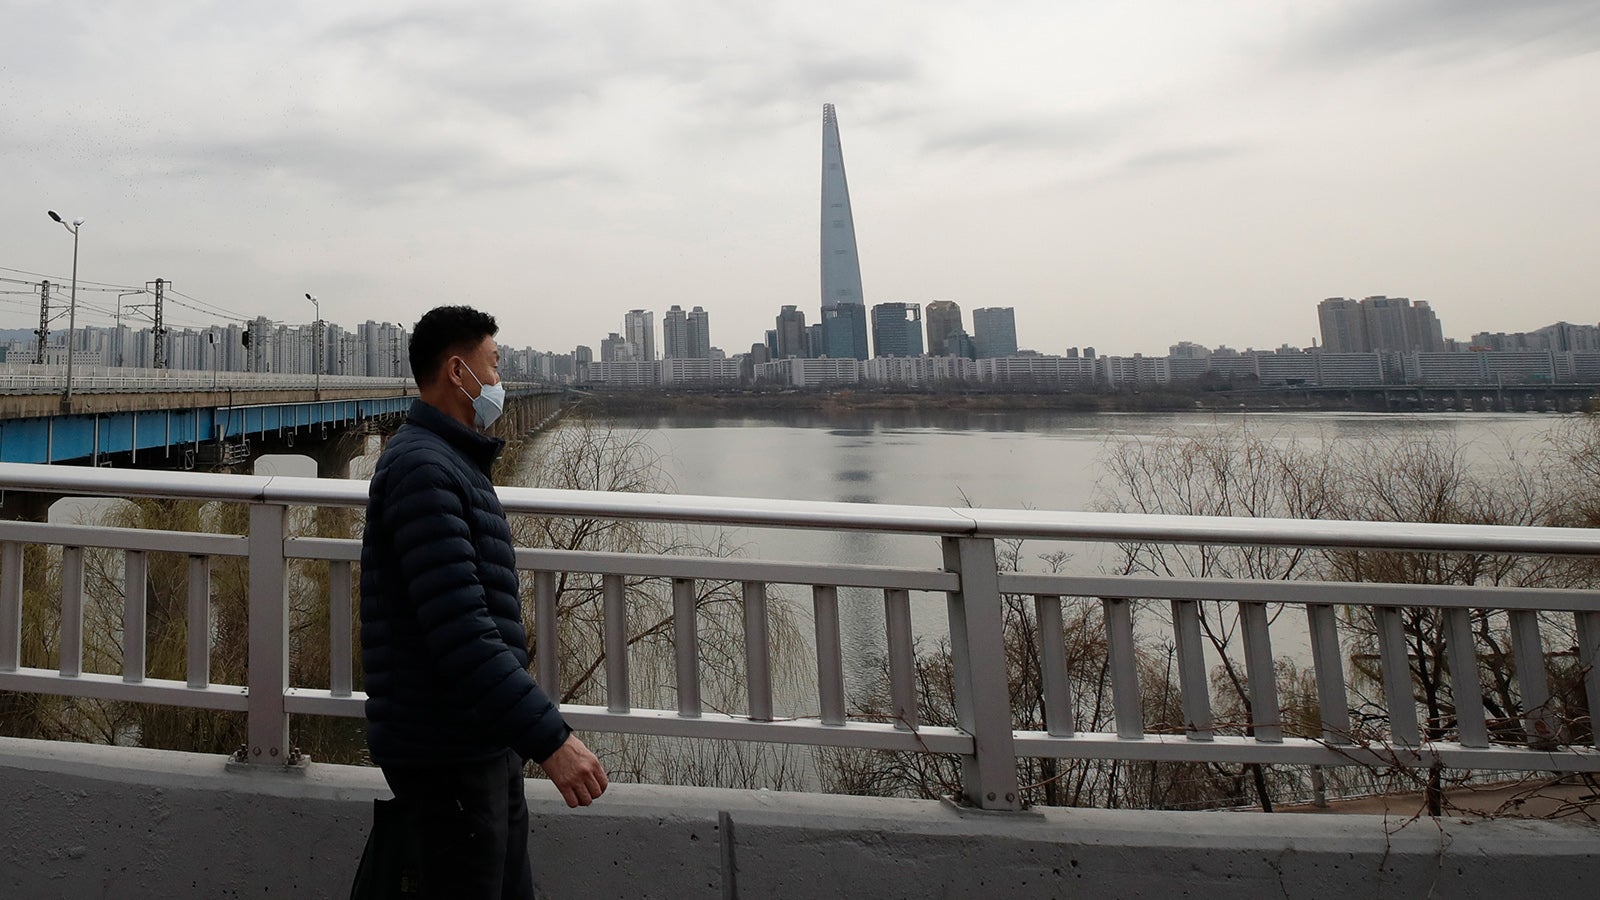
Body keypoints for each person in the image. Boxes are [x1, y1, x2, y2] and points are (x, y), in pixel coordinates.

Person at [359, 305, 607, 898]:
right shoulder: (424, 470)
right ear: (457, 371)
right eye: (493, 365)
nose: (500, 381)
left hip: (474, 741)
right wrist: (551, 740)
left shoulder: (452, 463)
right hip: (446, 752)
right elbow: (463, 633)